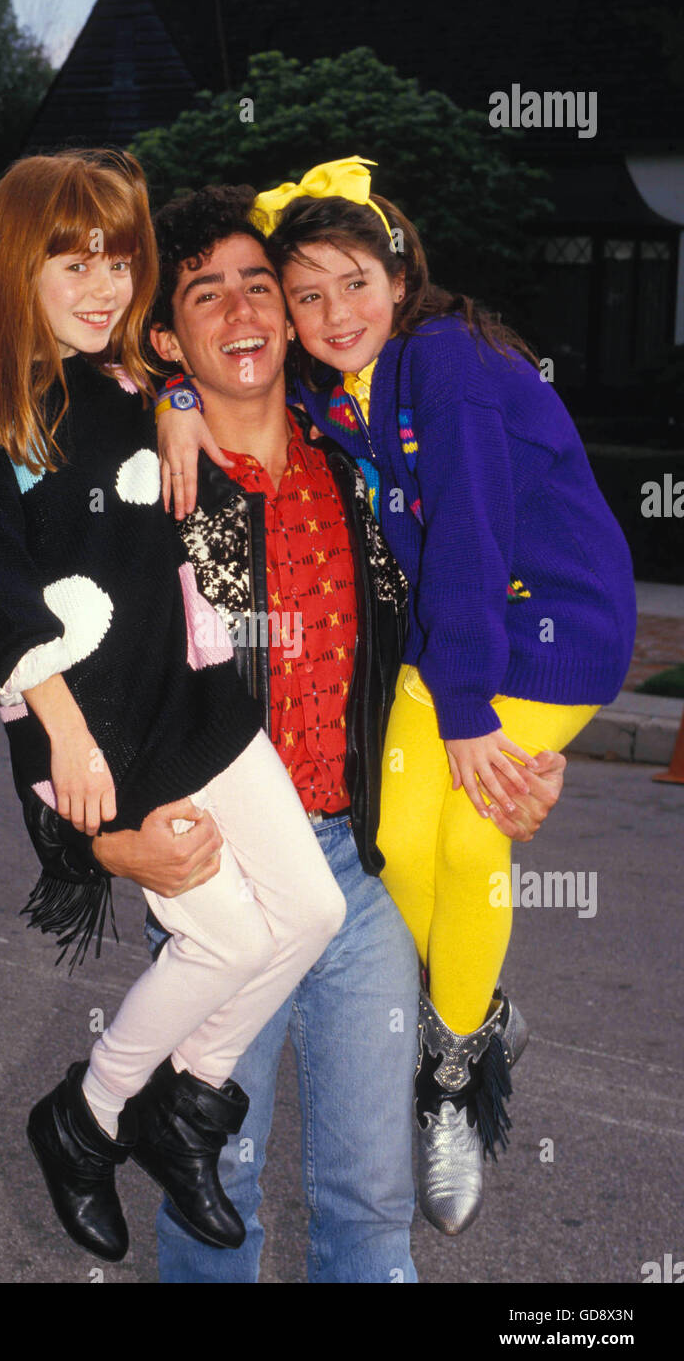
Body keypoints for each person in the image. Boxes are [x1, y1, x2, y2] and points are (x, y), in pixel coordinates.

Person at [94, 183, 569, 1280]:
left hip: (361, 877)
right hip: (226, 887)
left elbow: (462, 608)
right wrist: (104, 838)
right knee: (212, 1193)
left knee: (368, 1203)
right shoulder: (139, 483)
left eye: (258, 285)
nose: (241, 310)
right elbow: (64, 685)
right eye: (201, 295)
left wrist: (510, 760)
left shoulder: (360, 460)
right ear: (167, 335)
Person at [0, 149, 349, 1266]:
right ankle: (86, 1117)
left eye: (119, 257)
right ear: (20, 262)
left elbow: (164, 425)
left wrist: (181, 406)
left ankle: (172, 1108)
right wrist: (62, 735)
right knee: (226, 937)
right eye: (74, 259)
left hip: (192, 699)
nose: (105, 284)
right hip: (94, 725)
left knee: (308, 913)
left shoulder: (120, 388)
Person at [241, 156, 636, 1234]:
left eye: (352, 282)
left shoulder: (445, 361)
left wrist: (464, 712)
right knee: (394, 845)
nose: (332, 313)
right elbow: (184, 364)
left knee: (468, 843)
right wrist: (184, 397)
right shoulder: (344, 385)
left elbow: (466, 538)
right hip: (454, 649)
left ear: (399, 269)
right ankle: (485, 1007)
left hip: (551, 634)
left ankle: (451, 1074)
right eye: (305, 295)